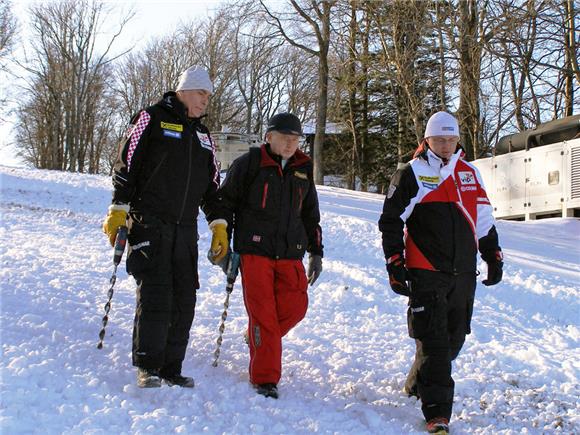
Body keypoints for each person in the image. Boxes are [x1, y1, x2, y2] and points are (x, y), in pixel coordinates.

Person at [102, 66, 229, 388]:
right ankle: (148, 367)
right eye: (202, 93)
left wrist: (219, 225)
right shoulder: (151, 118)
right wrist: (118, 210)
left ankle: (172, 368)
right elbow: (126, 165)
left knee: (184, 299)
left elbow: (212, 187)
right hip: (150, 223)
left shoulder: (204, 136)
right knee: (156, 295)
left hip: (185, 229)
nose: (205, 100)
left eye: (208, 96)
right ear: (185, 90)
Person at [378, 111, 503, 434]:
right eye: (440, 139)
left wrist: (493, 256)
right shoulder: (412, 173)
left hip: (463, 273)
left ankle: (417, 384)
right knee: (433, 342)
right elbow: (391, 221)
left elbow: (484, 219)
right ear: (427, 140)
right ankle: (437, 413)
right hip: (425, 271)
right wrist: (395, 262)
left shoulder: (469, 173)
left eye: (452, 139)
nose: (446, 145)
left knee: (453, 340)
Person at [209, 113, 323, 399]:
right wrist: (222, 235)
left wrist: (316, 252)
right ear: (268, 137)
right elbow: (225, 203)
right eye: (284, 138)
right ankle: (265, 379)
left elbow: (310, 213)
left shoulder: (303, 168)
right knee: (263, 315)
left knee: (296, 306)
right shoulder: (249, 164)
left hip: (290, 253)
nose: (290, 144)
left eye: (295, 139)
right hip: (254, 251)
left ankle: (258, 338)